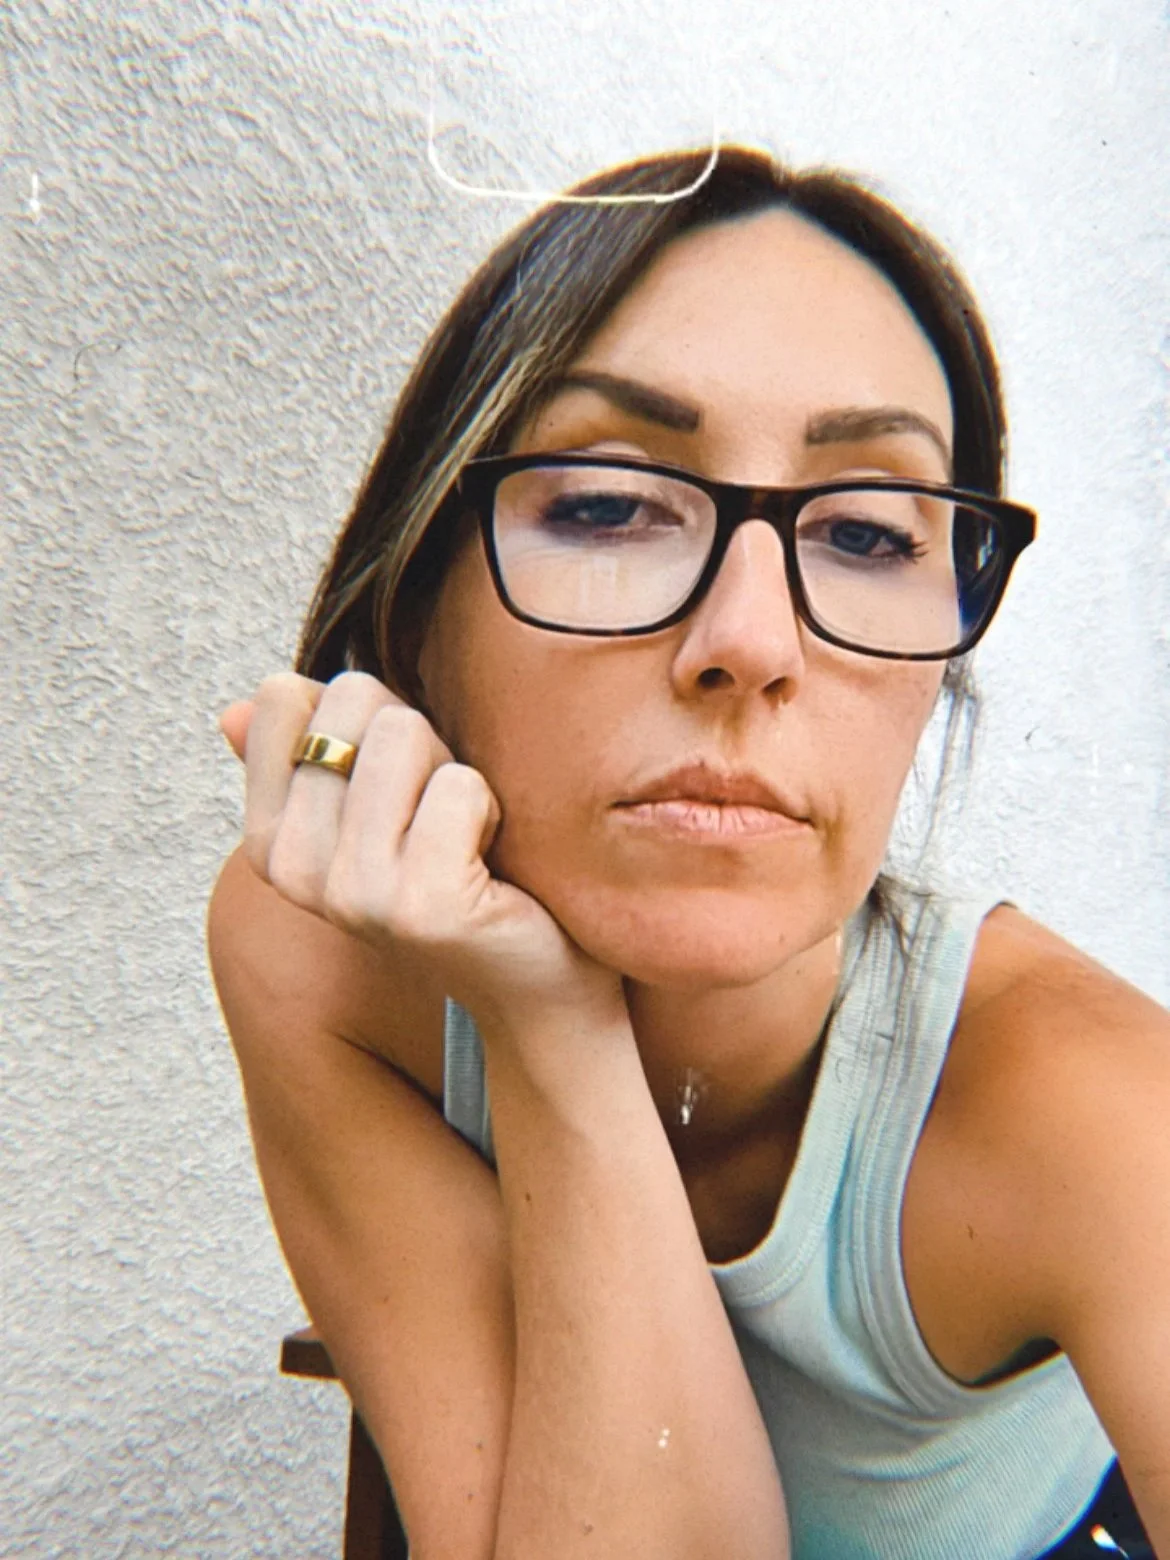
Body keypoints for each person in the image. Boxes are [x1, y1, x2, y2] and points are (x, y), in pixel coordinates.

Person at [208, 147, 1167, 1559]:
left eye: (864, 533)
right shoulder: (322, 953)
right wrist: (548, 1024)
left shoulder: (1102, 1108)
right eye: (607, 505)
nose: (751, 642)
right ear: (415, 610)